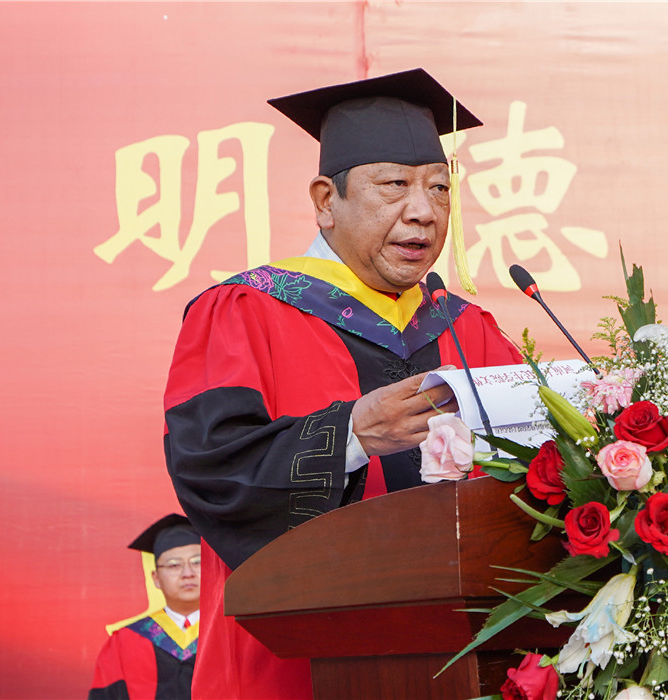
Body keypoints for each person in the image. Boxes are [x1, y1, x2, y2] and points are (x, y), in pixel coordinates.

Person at [163, 68, 521, 699]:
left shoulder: (470, 330)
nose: (423, 210)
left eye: (439, 188)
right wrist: (349, 435)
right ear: (327, 200)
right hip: (290, 669)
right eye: (395, 185)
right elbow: (212, 472)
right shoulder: (244, 312)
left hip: (461, 664)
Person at [89, 514, 201, 700]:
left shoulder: (233, 635)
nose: (187, 573)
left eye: (197, 562)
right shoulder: (124, 642)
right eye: (174, 565)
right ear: (156, 578)